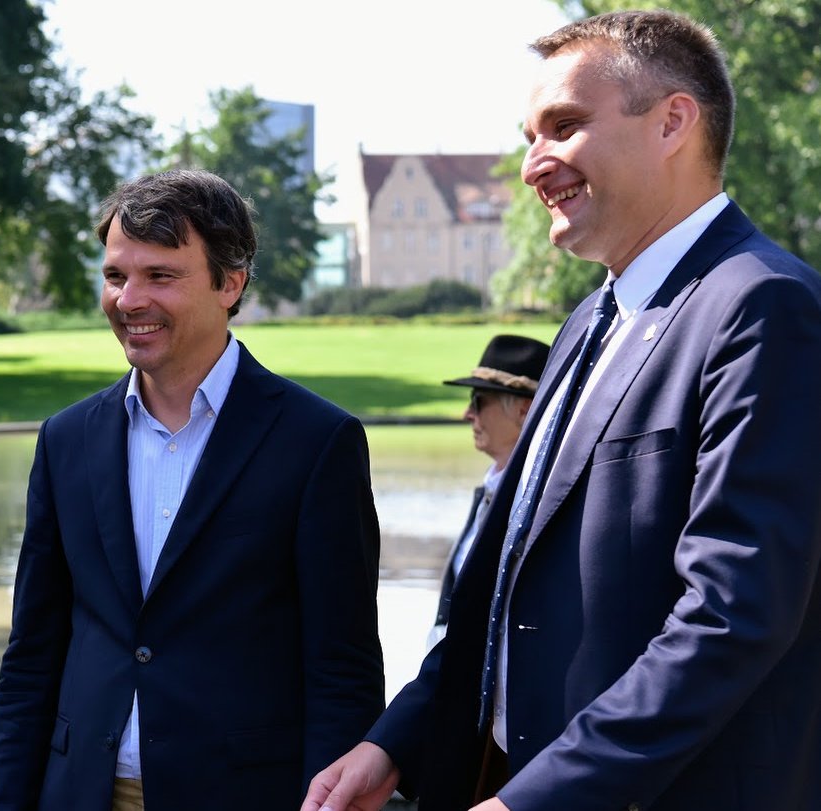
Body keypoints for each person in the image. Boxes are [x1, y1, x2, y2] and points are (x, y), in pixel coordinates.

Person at [304, 10, 821, 811]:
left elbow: (733, 614)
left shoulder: (764, 306)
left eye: (564, 127)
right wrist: (394, 741)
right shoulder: (590, 319)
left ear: (673, 123)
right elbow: (501, 589)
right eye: (528, 136)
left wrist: (537, 798)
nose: (533, 165)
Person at [0, 169, 385, 811]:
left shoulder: (317, 442)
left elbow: (342, 671)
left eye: (160, 276)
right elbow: (32, 655)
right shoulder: (66, 440)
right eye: (116, 276)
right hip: (78, 793)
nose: (129, 299)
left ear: (231, 282)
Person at [428, 335, 549, 650]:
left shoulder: (538, 501)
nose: (469, 413)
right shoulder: (493, 488)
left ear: (524, 411)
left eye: (479, 400)